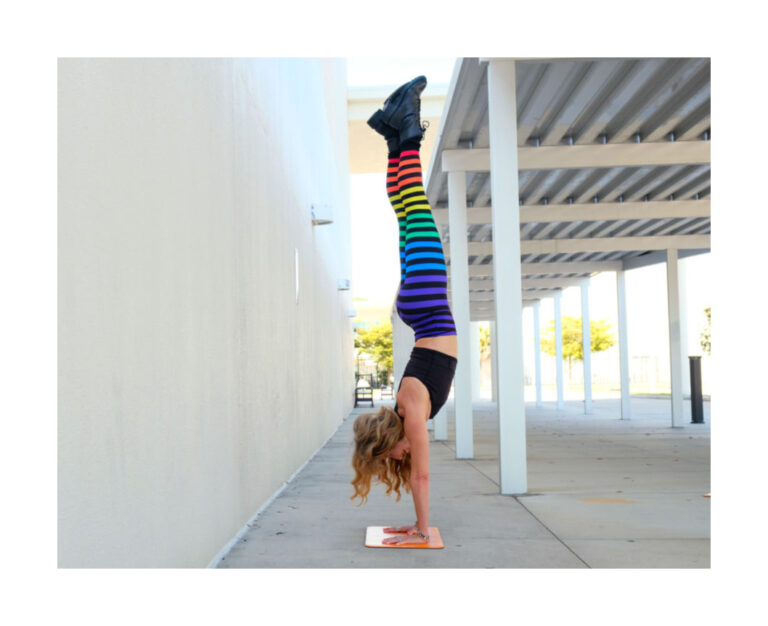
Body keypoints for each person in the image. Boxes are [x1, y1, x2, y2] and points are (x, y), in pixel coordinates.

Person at [350, 76, 458, 546]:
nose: (402, 457)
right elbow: (416, 472)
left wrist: (420, 528)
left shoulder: (411, 410)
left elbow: (423, 479)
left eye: (392, 454)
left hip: (428, 300)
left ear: (389, 436)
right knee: (406, 208)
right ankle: (394, 135)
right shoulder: (407, 405)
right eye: (398, 458)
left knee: (415, 205)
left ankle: (407, 129)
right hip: (418, 304)